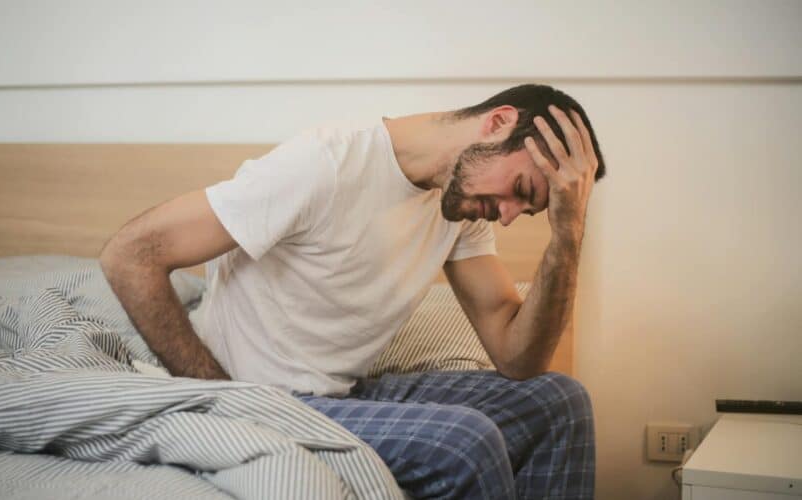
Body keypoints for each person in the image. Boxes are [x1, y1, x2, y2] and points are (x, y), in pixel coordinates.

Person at [100, 83, 606, 499]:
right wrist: (224, 397)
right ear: (497, 123)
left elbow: (517, 358)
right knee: (465, 443)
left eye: (531, 210)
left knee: (559, 402)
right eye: (520, 191)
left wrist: (568, 232)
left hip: (342, 393)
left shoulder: (460, 206)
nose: (511, 215)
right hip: (265, 397)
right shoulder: (324, 164)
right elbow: (131, 253)